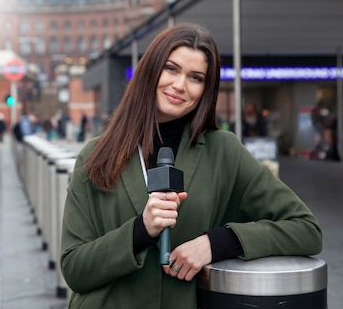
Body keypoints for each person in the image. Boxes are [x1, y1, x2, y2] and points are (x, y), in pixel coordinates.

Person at [59, 23, 322, 309]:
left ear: (206, 90)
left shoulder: (223, 152)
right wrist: (140, 231)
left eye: (195, 77)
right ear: (151, 70)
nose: (180, 85)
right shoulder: (96, 155)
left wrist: (217, 243)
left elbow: (305, 229)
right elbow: (74, 268)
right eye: (171, 69)